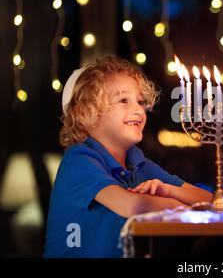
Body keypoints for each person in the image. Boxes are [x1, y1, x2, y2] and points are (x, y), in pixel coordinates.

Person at [44, 57, 212, 258]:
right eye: (123, 100)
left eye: (141, 102)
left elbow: (210, 200)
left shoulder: (137, 163)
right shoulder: (79, 159)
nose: (138, 110)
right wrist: (189, 210)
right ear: (84, 114)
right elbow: (133, 206)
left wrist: (168, 189)